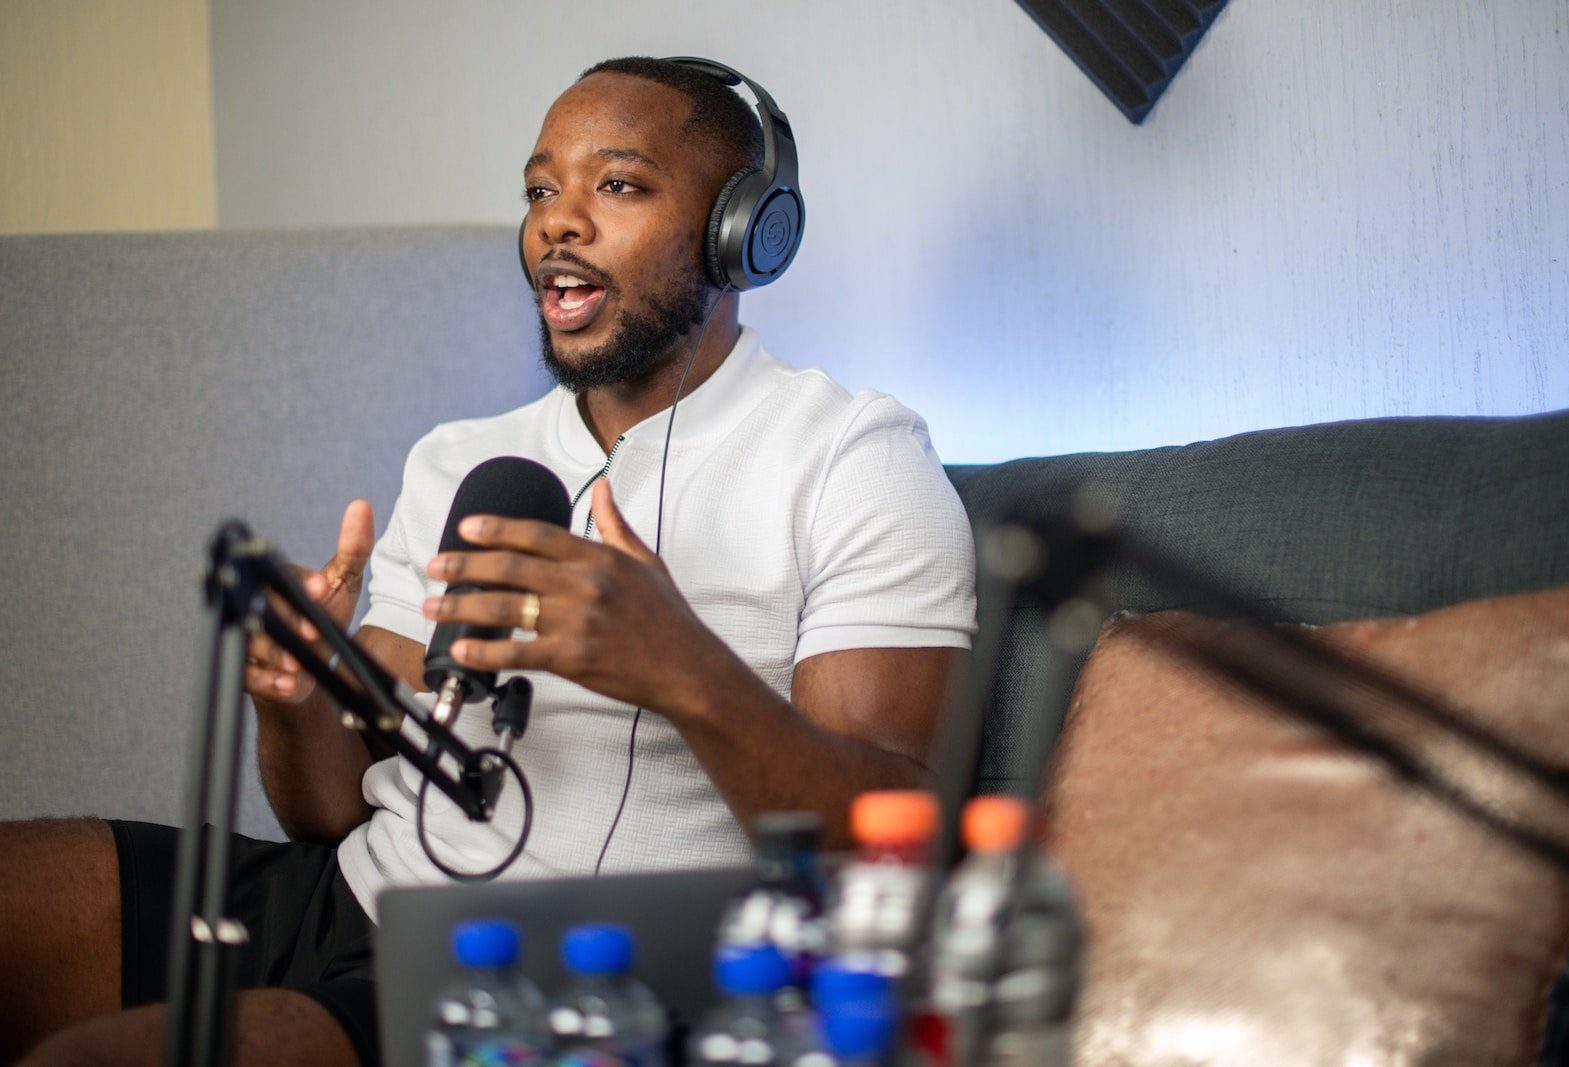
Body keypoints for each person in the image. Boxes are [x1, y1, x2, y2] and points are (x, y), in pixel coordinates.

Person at [0, 56, 975, 1066]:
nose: (559, 220)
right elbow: (330, 805)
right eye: (541, 189)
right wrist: (294, 693)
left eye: (619, 184)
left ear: (744, 232)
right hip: (347, 894)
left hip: (547, 968)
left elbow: (890, 845)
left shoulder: (852, 457)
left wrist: (681, 667)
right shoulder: (465, 458)